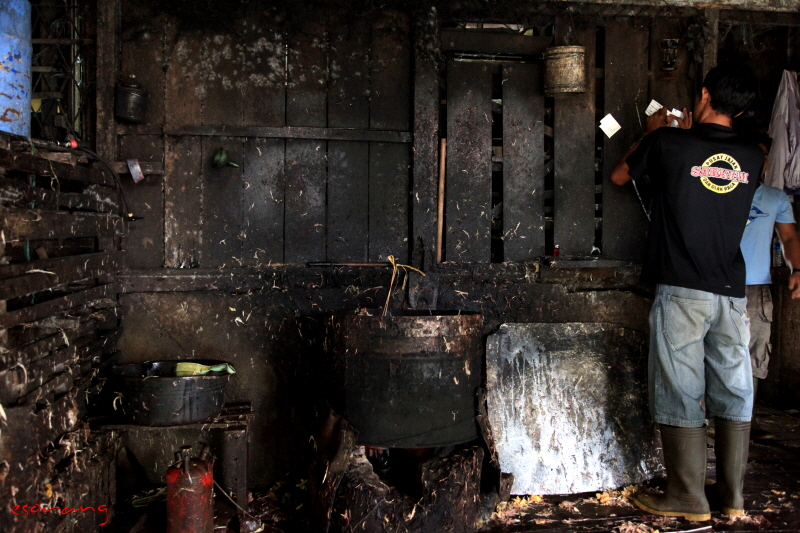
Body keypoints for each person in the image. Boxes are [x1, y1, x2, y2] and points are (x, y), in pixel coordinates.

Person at [610, 64, 762, 521]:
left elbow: (620, 177)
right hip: (731, 291)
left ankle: (687, 497)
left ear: (704, 95)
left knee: (679, 387)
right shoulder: (753, 156)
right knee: (735, 387)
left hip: (682, 287)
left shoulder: (667, 142)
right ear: (742, 109)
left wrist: (649, 133)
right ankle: (731, 498)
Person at [740, 141, 800, 439]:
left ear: (766, 162)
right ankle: (709, 422)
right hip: (715, 284)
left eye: (762, 156)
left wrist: (797, 269)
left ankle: (744, 423)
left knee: (754, 352)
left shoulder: (775, 198)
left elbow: (789, 238)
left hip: (755, 287)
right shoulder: (717, 191)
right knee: (710, 350)